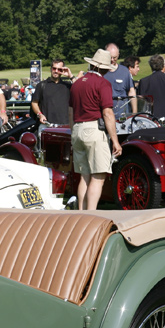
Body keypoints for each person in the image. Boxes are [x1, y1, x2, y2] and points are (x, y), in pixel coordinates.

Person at [70, 49, 122, 210]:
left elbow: (70, 111)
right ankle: (91, 215)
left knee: (84, 176)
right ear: (103, 68)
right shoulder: (102, 83)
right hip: (93, 130)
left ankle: (81, 213)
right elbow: (107, 112)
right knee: (98, 176)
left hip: (77, 129)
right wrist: (115, 141)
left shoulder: (77, 83)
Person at [31, 59, 73, 125]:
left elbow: (81, 88)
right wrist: (40, 114)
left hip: (65, 125)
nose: (56, 71)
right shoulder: (42, 85)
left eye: (59, 69)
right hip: (47, 124)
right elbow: (34, 103)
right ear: (51, 69)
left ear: (62, 70)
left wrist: (71, 76)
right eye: (54, 68)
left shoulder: (67, 86)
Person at [104, 43, 136, 117]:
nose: (112, 60)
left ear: (118, 54)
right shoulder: (100, 71)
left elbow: (131, 91)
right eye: (110, 57)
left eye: (114, 57)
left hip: (122, 116)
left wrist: (134, 113)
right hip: (106, 115)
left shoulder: (124, 71)